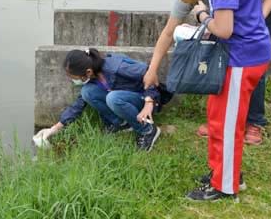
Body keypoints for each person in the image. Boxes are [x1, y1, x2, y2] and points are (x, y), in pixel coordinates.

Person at [167, 0, 271, 201]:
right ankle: (222, 172)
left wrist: (202, 15)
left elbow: (224, 28)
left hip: (241, 56)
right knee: (220, 117)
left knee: (226, 124)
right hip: (247, 52)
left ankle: (225, 186)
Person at [145, 0, 271, 146]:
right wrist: (152, 69)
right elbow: (168, 32)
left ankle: (254, 122)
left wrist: (257, 20)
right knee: (221, 62)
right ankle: (222, 120)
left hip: (261, 10)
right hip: (225, 21)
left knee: (252, 65)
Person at [34, 48, 170, 152]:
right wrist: (54, 129)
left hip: (144, 100)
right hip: (125, 102)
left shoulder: (116, 67)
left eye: (75, 77)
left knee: (113, 98)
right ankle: (122, 124)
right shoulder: (93, 79)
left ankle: (147, 130)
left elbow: (149, 73)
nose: (74, 80)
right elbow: (78, 106)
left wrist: (149, 103)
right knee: (86, 92)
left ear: (87, 72)